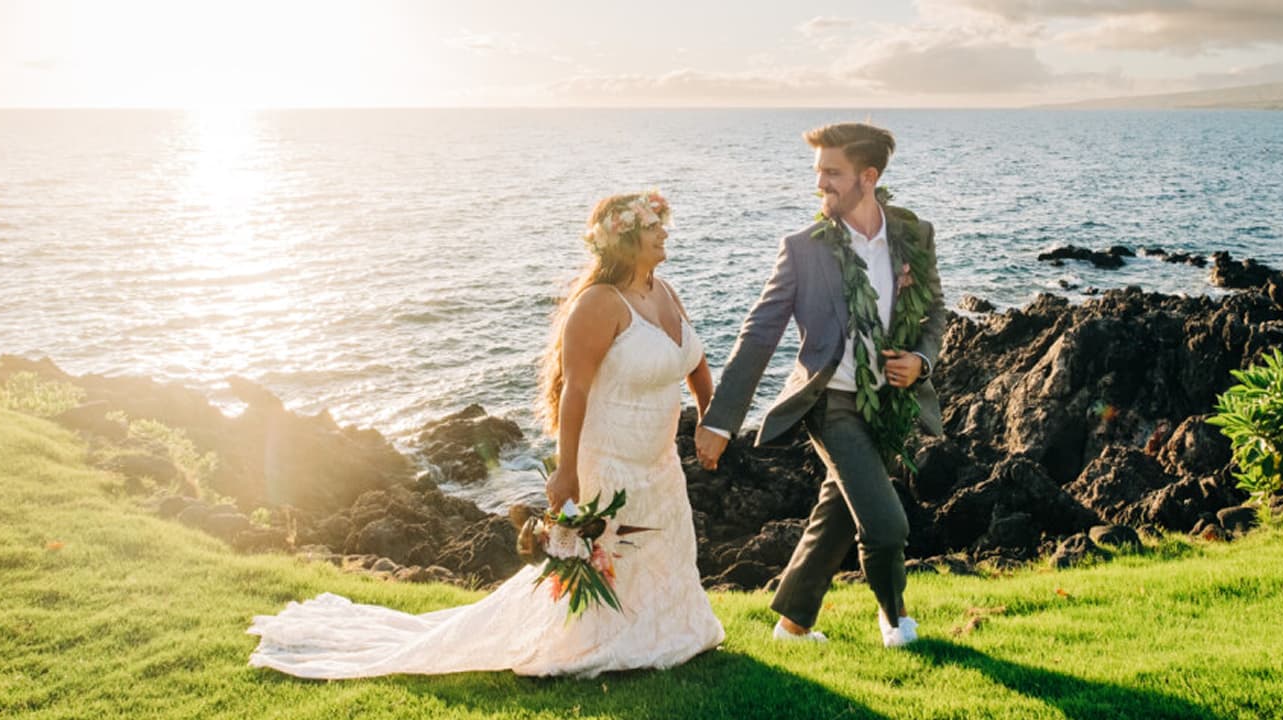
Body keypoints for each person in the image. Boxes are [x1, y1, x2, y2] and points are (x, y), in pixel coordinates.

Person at [247, 190, 725, 678]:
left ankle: (670, 630)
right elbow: (575, 391)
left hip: (660, 463)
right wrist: (565, 471)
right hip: (610, 462)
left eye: (662, 223)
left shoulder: (665, 292)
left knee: (661, 558)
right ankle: (607, 639)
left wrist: (712, 419)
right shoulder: (598, 305)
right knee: (613, 562)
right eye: (654, 225)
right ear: (625, 238)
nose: (664, 231)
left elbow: (696, 364)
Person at [694, 122, 946, 648]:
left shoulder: (913, 235)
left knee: (839, 508)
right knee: (886, 523)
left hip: (889, 406)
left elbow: (934, 314)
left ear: (868, 177)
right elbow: (760, 333)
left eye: (832, 173)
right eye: (818, 173)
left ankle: (792, 624)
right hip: (829, 403)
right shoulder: (803, 249)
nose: (820, 184)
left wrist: (921, 360)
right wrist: (720, 419)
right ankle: (895, 621)